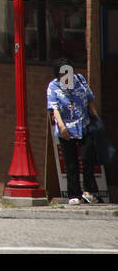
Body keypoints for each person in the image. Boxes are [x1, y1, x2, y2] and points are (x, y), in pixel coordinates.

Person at [47, 58, 102, 204]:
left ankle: (89, 191)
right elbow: (54, 109)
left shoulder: (80, 80)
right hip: (67, 128)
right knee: (71, 162)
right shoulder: (53, 87)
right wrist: (61, 126)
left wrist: (97, 120)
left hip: (84, 125)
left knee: (87, 158)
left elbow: (89, 100)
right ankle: (74, 194)